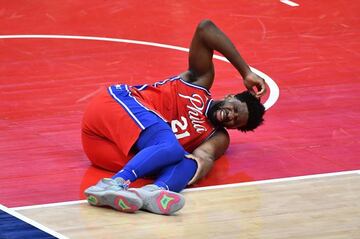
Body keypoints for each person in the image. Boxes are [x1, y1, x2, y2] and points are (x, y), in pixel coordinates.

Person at [81, 19, 266, 215]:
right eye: (235, 109)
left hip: (100, 148)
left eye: (236, 122)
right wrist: (245, 71)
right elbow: (205, 29)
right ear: (231, 96)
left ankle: (152, 193)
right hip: (112, 106)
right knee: (171, 147)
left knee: (188, 161)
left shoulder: (217, 137)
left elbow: (203, 158)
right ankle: (113, 184)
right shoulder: (199, 82)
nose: (231, 117)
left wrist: (187, 173)